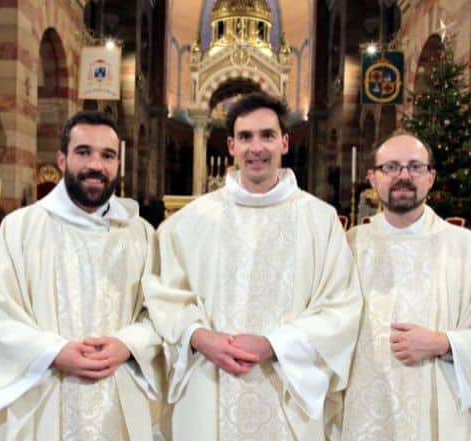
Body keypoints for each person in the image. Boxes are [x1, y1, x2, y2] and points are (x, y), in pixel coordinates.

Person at [144, 92, 361, 441]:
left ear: (285, 143)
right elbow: (162, 296)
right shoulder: (188, 222)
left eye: (267, 135)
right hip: (207, 384)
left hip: (286, 387)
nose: (256, 147)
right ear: (230, 146)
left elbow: (341, 306)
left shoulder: (319, 221)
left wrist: (274, 345)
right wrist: (199, 337)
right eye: (245, 137)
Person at [0, 111, 162, 441]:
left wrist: (127, 343)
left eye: (107, 155)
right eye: (83, 152)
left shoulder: (140, 234)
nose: (96, 165)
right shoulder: (21, 228)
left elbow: (159, 314)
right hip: (43, 396)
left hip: (119, 399)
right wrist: (53, 352)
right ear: (62, 159)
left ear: (117, 164)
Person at [341, 134, 471, 441]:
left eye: (415, 167)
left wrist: (445, 343)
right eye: (391, 167)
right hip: (361, 416)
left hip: (437, 419)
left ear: (431, 178)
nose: (403, 176)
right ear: (372, 179)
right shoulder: (346, 248)